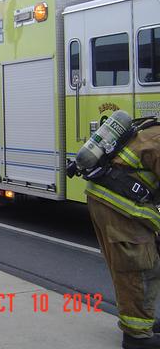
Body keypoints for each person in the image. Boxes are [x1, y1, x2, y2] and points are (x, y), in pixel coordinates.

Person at [83, 120, 160, 349]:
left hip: (107, 200)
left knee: (134, 267)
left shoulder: (152, 131)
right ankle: (137, 336)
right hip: (120, 205)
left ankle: (141, 322)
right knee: (139, 268)